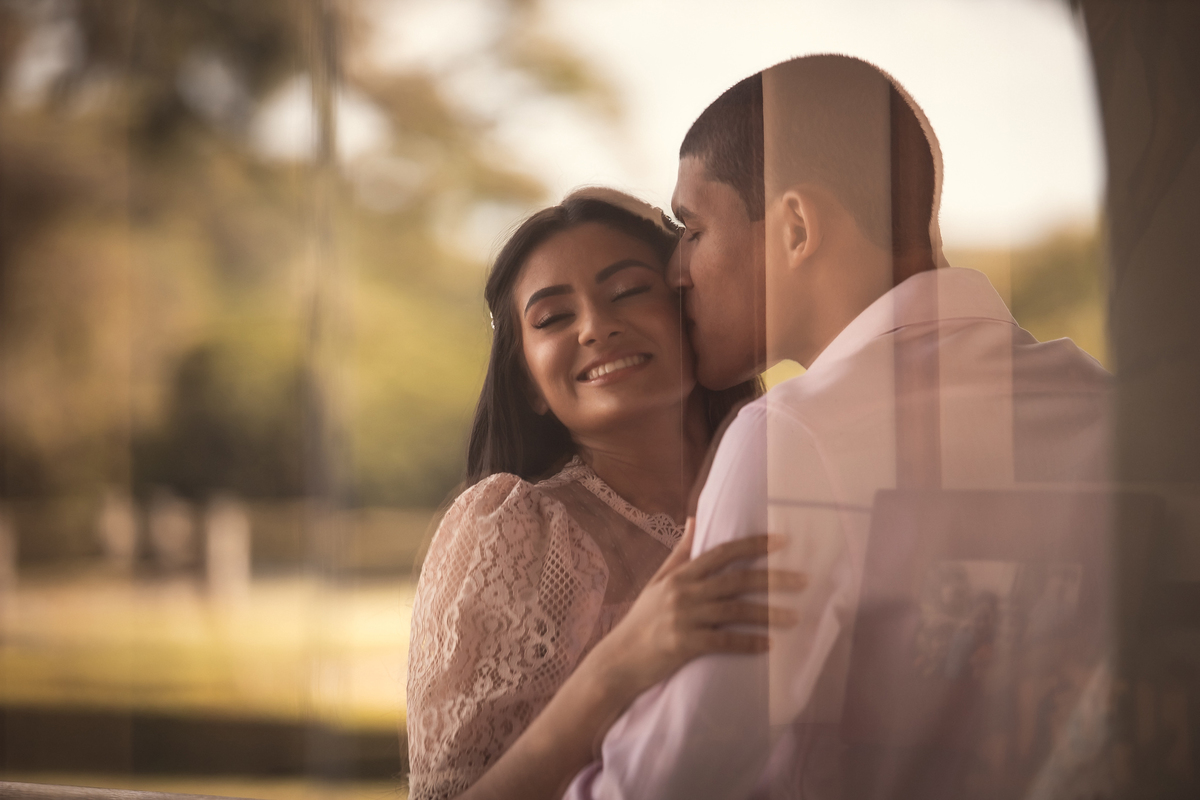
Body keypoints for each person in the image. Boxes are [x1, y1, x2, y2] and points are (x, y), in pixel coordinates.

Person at [566, 55, 1112, 799]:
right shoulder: (1112, 408)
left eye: (692, 229)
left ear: (795, 226)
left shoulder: (789, 439)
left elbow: (667, 783)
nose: (677, 272)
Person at [406, 189, 805, 800]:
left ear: (688, 309)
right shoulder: (516, 530)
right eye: (554, 318)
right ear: (531, 384)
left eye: (627, 292)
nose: (597, 327)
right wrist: (619, 666)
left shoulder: (798, 481)